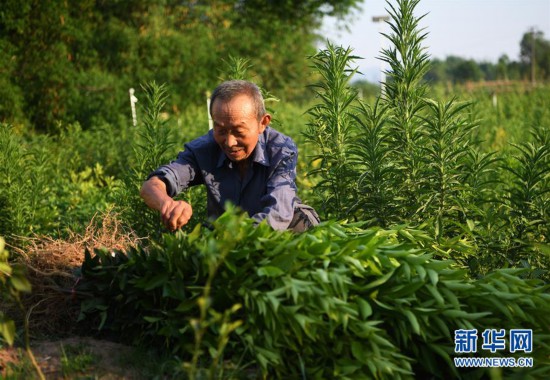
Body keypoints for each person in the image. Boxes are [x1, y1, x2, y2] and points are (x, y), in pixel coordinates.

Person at [140, 80, 320, 233]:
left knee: (299, 225)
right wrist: (167, 204)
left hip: (276, 233)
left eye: (238, 131)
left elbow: (278, 211)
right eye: (221, 130)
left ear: (262, 123)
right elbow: (152, 186)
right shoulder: (204, 149)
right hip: (226, 240)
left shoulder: (280, 149)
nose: (230, 142)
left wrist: (235, 242)